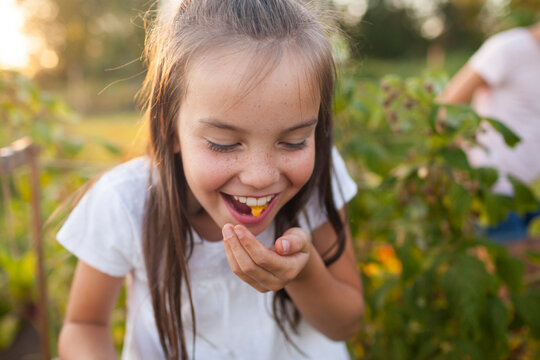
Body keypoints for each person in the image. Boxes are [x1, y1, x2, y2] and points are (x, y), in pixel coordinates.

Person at [56, 1, 364, 359]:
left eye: (294, 142)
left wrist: (304, 272)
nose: (260, 177)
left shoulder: (318, 180)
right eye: (224, 144)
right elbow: (84, 327)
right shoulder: (126, 203)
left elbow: (345, 324)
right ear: (169, 129)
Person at [437, 20, 540, 242]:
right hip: (494, 189)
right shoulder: (508, 48)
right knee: (516, 270)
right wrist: (458, 168)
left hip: (531, 191)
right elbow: (445, 107)